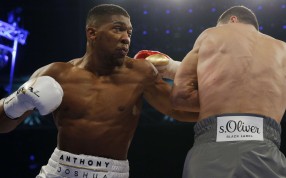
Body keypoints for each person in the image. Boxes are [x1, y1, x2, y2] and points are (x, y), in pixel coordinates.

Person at [0, 4, 198, 178]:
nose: (126, 38)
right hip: (59, 170)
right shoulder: (56, 73)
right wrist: (17, 101)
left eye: (129, 32)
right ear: (92, 33)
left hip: (111, 172)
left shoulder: (141, 73)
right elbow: (3, 125)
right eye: (118, 29)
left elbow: (180, 109)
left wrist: (221, 100)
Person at [171, 5, 286, 178]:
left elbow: (181, 96)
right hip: (266, 151)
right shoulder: (283, 49)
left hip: (211, 149)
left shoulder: (210, 34)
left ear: (232, 19)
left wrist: (218, 101)